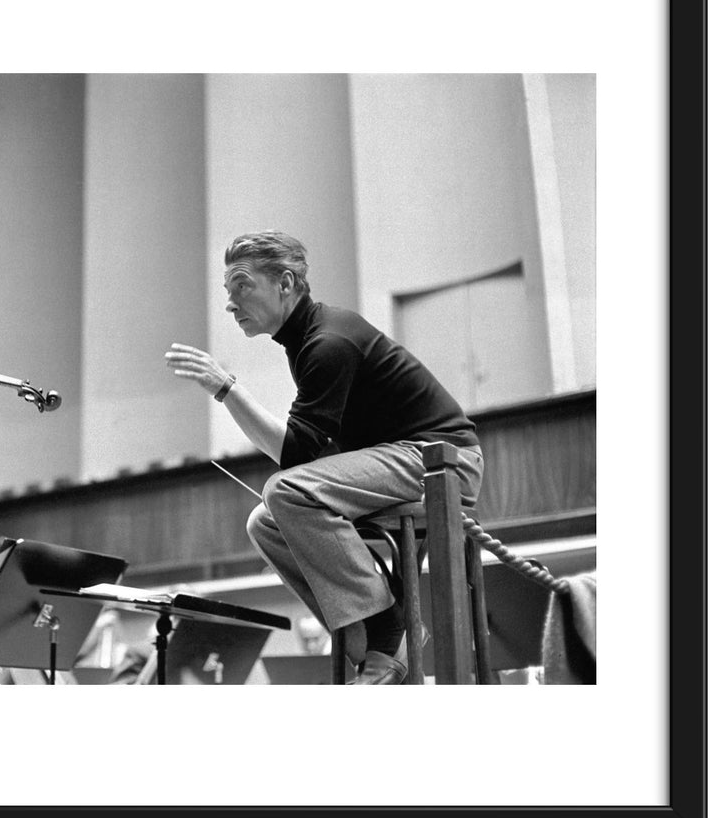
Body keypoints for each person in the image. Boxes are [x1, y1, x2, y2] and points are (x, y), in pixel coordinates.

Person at [166, 231, 483, 684]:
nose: (230, 304)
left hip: (442, 461)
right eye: (228, 292)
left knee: (284, 490)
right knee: (264, 522)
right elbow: (304, 451)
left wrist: (227, 389)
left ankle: (388, 635)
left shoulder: (328, 342)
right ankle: (372, 651)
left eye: (241, 286)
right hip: (400, 459)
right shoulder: (306, 342)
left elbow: (294, 458)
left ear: (286, 283)